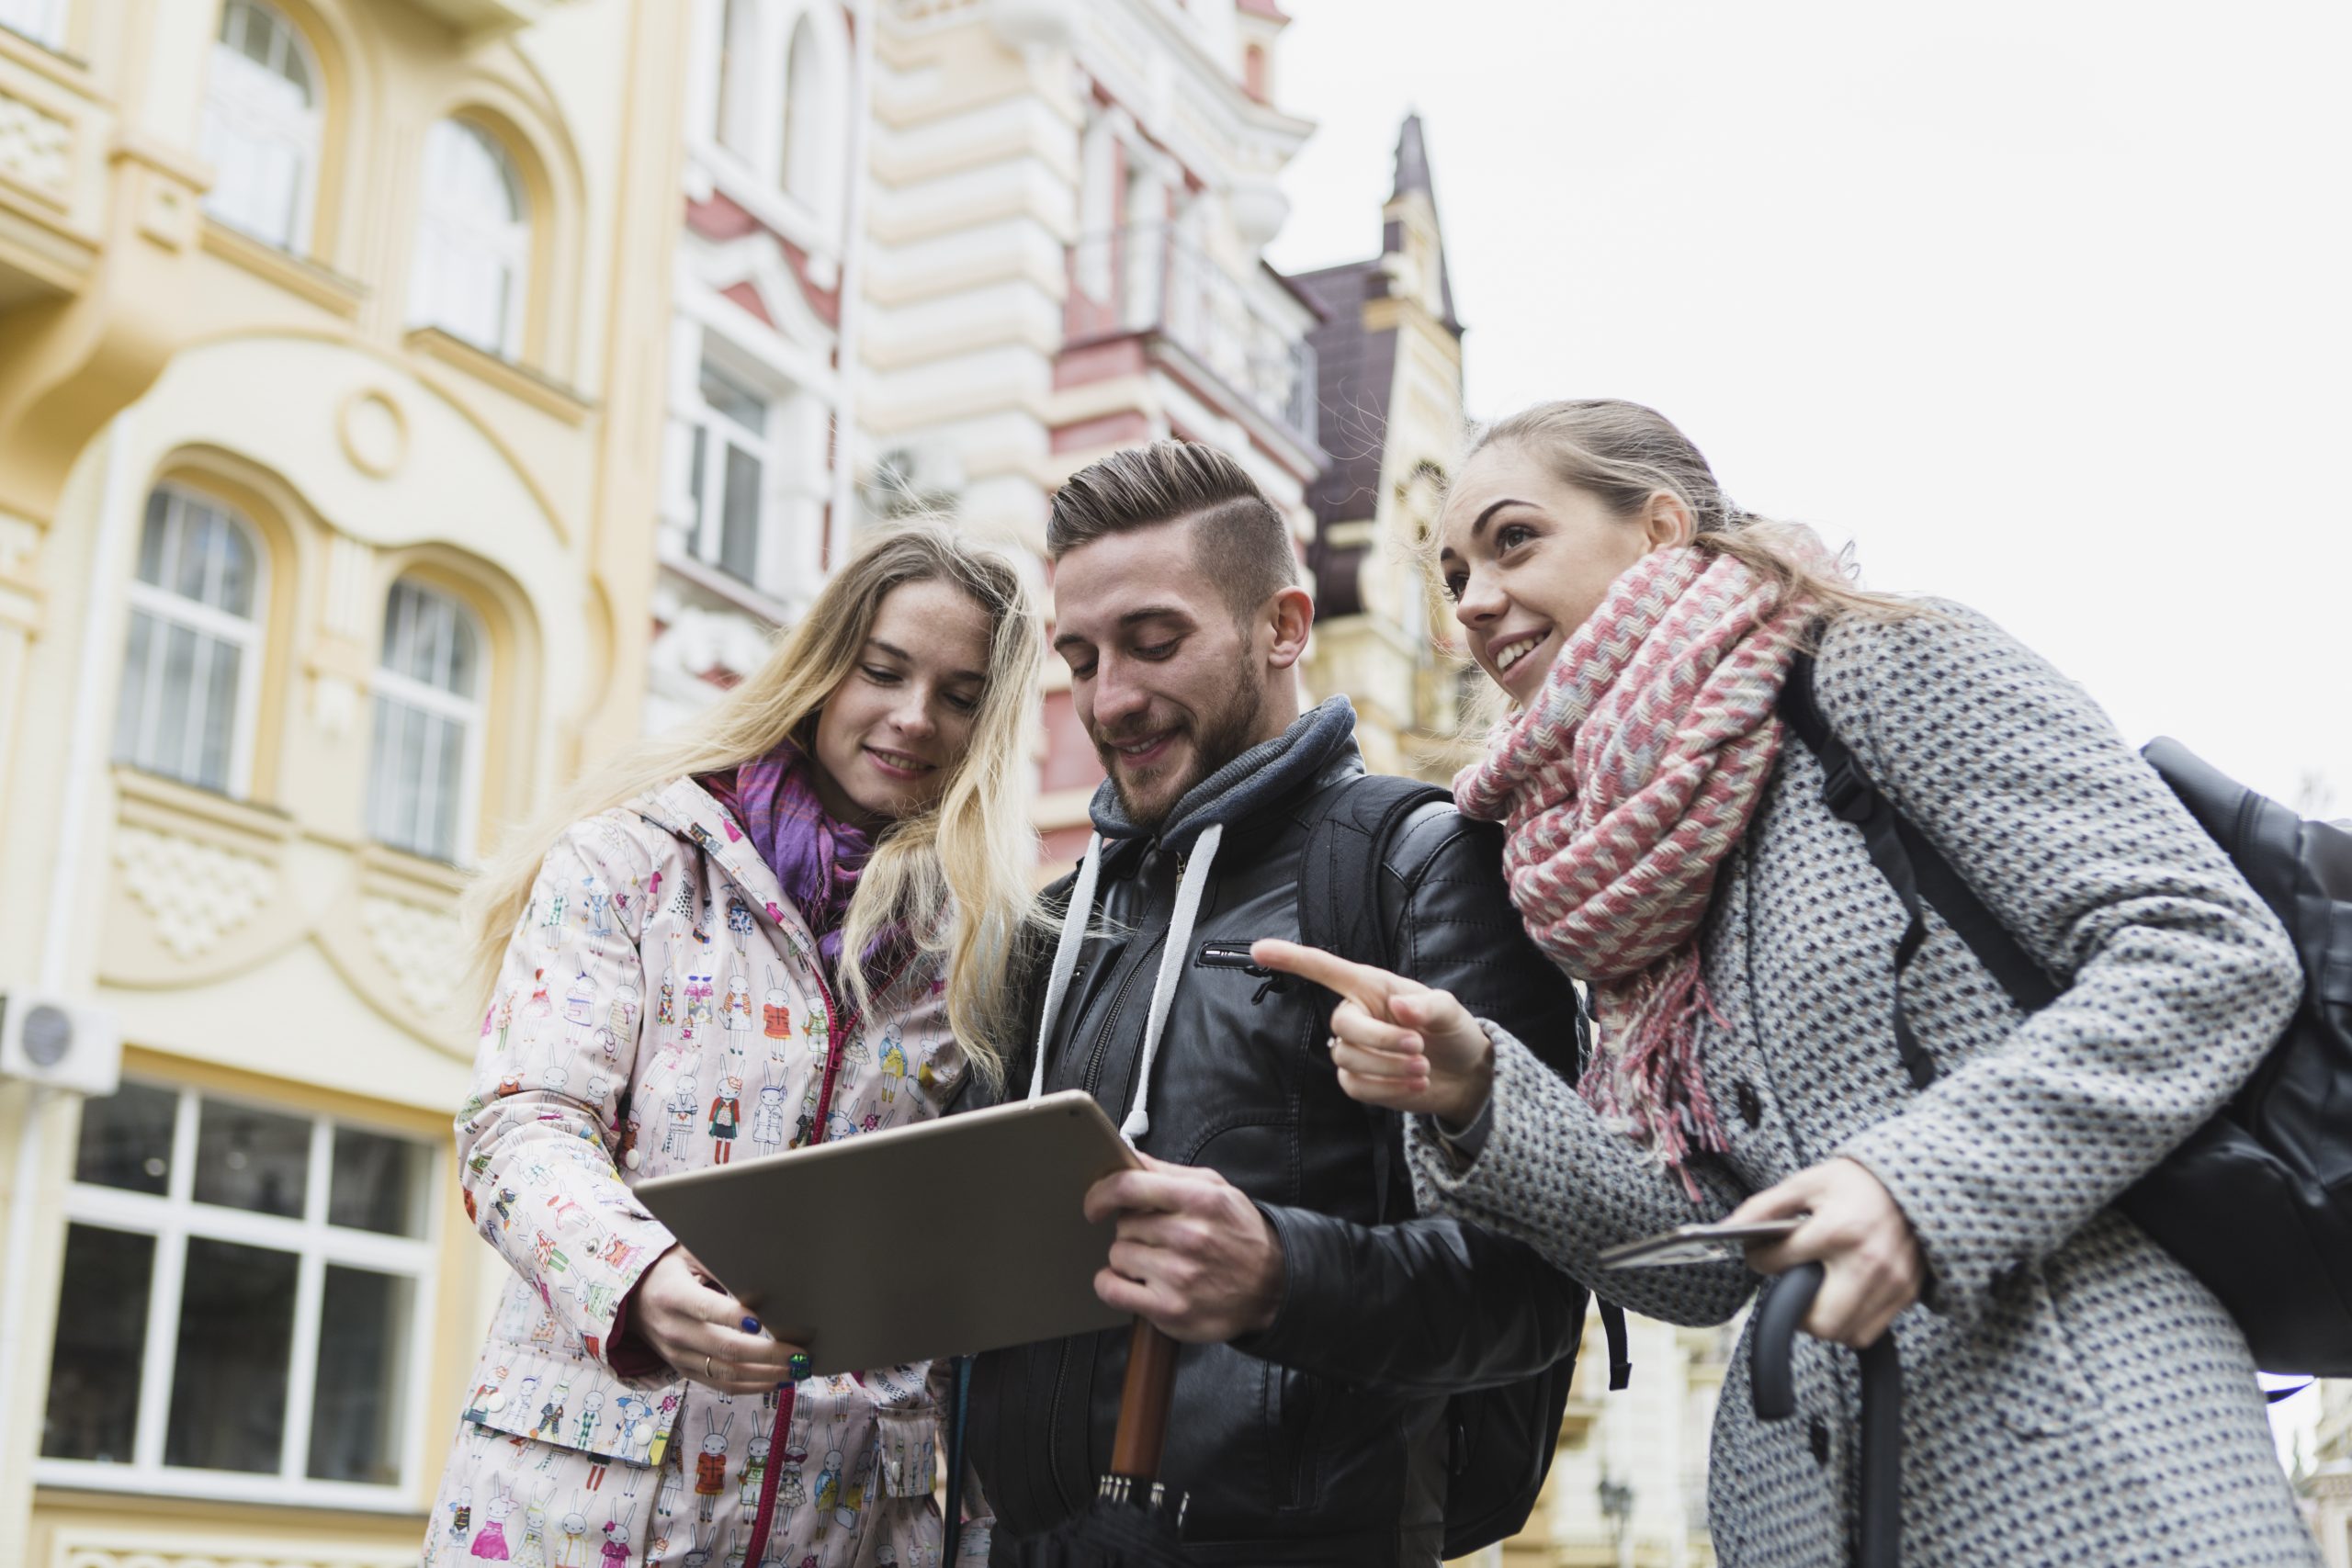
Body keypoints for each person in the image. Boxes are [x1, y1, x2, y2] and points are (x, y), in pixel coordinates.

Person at [1257, 399, 2318, 1566]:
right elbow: (1707, 1261)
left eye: (1514, 540)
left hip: (2086, 1450)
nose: (1474, 600)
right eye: (1454, 574)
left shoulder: (1879, 661)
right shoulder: (1609, 866)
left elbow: (2204, 946)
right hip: (1806, 1507)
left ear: (1659, 529)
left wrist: (1909, 1184)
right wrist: (1473, 1091)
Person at [960, 442, 1589, 1567]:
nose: (1112, 699)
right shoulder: (1054, 927)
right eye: (1081, 656)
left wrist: (1279, 1276)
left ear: (1283, 626)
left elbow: (1532, 1297)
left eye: (1155, 644)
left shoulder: (1425, 864)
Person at [425, 524, 1045, 1568]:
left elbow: (973, 1276)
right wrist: (638, 1277)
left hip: (849, 1521)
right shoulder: (630, 859)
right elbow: (520, 1125)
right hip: (577, 1517)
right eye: (882, 670)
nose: (912, 717)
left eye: (961, 694)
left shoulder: (984, 949)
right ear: (821, 665)